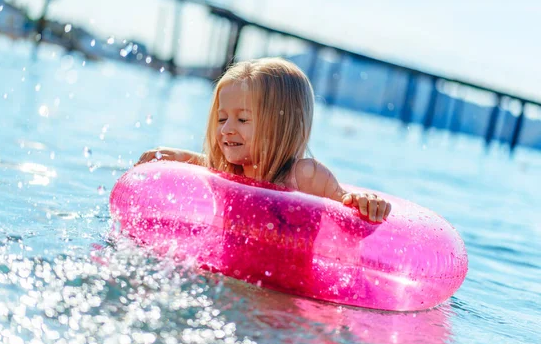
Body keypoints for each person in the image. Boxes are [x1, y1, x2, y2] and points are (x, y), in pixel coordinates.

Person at [136, 57, 391, 223]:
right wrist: (181, 157)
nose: (226, 129)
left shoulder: (305, 176)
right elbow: (210, 165)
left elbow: (346, 210)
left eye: (243, 120)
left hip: (282, 292)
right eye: (222, 119)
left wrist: (364, 203)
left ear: (281, 125)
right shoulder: (231, 170)